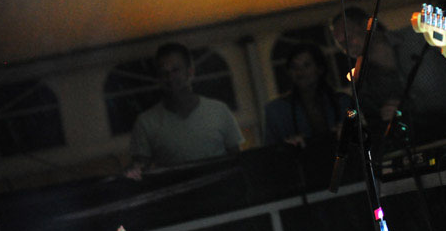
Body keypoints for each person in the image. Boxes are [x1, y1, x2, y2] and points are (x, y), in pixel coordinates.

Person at [330, 7, 446, 143]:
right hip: (422, 140)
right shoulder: (364, 81)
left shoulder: (416, 36)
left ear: (368, 25)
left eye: (348, 37)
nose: (347, 47)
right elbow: (374, 123)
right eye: (341, 44)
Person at [126, 42, 244, 179]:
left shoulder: (219, 111)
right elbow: (139, 168)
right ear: (158, 78)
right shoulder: (146, 122)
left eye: (176, 70)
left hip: (223, 190)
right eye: (164, 73)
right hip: (178, 192)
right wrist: (131, 171)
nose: (170, 77)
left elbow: (237, 160)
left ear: (190, 72)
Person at [263, 42, 352, 147]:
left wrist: (348, 128)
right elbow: (271, 149)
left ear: (320, 69)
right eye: (294, 67)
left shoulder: (344, 102)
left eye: (306, 65)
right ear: (289, 72)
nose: (300, 72)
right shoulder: (276, 111)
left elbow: (354, 117)